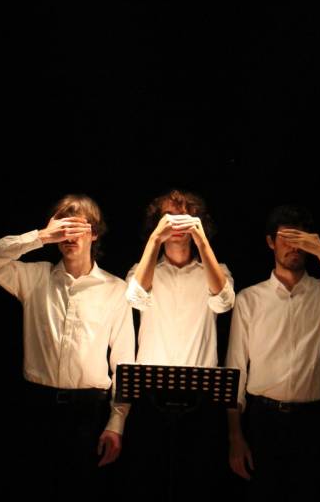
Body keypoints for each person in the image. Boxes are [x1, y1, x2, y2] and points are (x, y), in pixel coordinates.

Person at [0, 194, 134, 496]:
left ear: (94, 233)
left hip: (89, 411)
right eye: (64, 226)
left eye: (77, 227)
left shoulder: (116, 289)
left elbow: (124, 362)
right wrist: (41, 236)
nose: (69, 235)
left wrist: (117, 422)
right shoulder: (36, 277)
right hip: (37, 407)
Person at [225, 204, 320, 501]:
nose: (294, 246)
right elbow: (235, 370)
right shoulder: (250, 299)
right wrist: (235, 437)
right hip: (264, 421)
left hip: (316, 422)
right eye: (286, 238)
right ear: (270, 242)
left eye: (300, 239)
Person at [124, 189, 235, 498]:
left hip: (200, 399)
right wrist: (154, 240)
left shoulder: (217, 271)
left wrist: (201, 241)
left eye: (185, 215)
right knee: (148, 483)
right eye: (169, 217)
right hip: (150, 397)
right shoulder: (142, 270)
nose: (177, 223)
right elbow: (135, 298)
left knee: (197, 485)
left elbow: (224, 302)